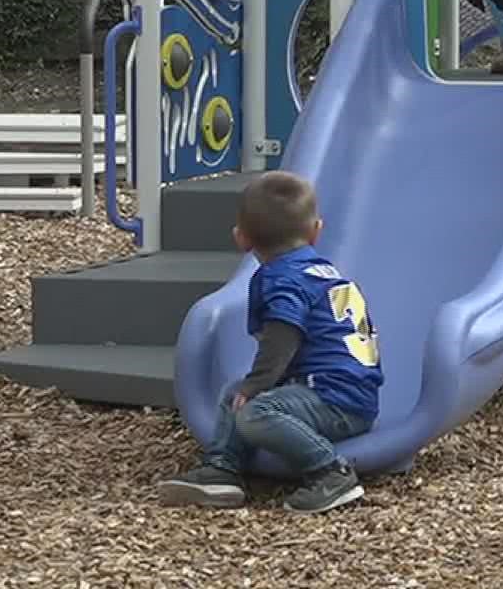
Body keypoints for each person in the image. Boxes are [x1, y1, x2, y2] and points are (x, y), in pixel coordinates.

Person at [156, 170, 383, 514]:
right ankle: (223, 469)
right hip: (343, 391)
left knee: (254, 409)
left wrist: (258, 383)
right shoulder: (320, 271)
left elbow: (283, 335)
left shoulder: (282, 279)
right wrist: (250, 386)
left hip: (337, 403)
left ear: (241, 239)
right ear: (316, 231)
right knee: (236, 391)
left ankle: (331, 473)